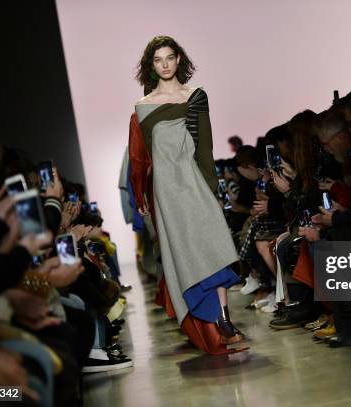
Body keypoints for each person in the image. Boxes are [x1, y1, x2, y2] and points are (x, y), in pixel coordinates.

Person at [128, 35, 245, 355]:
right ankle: (214, 324)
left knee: (214, 246)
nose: (165, 65)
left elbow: (204, 145)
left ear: (179, 59)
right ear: (151, 66)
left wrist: (211, 190)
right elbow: (143, 159)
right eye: (158, 60)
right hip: (167, 192)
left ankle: (224, 319)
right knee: (186, 255)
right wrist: (145, 200)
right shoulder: (142, 107)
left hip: (196, 182)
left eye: (170, 58)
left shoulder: (195, 96)